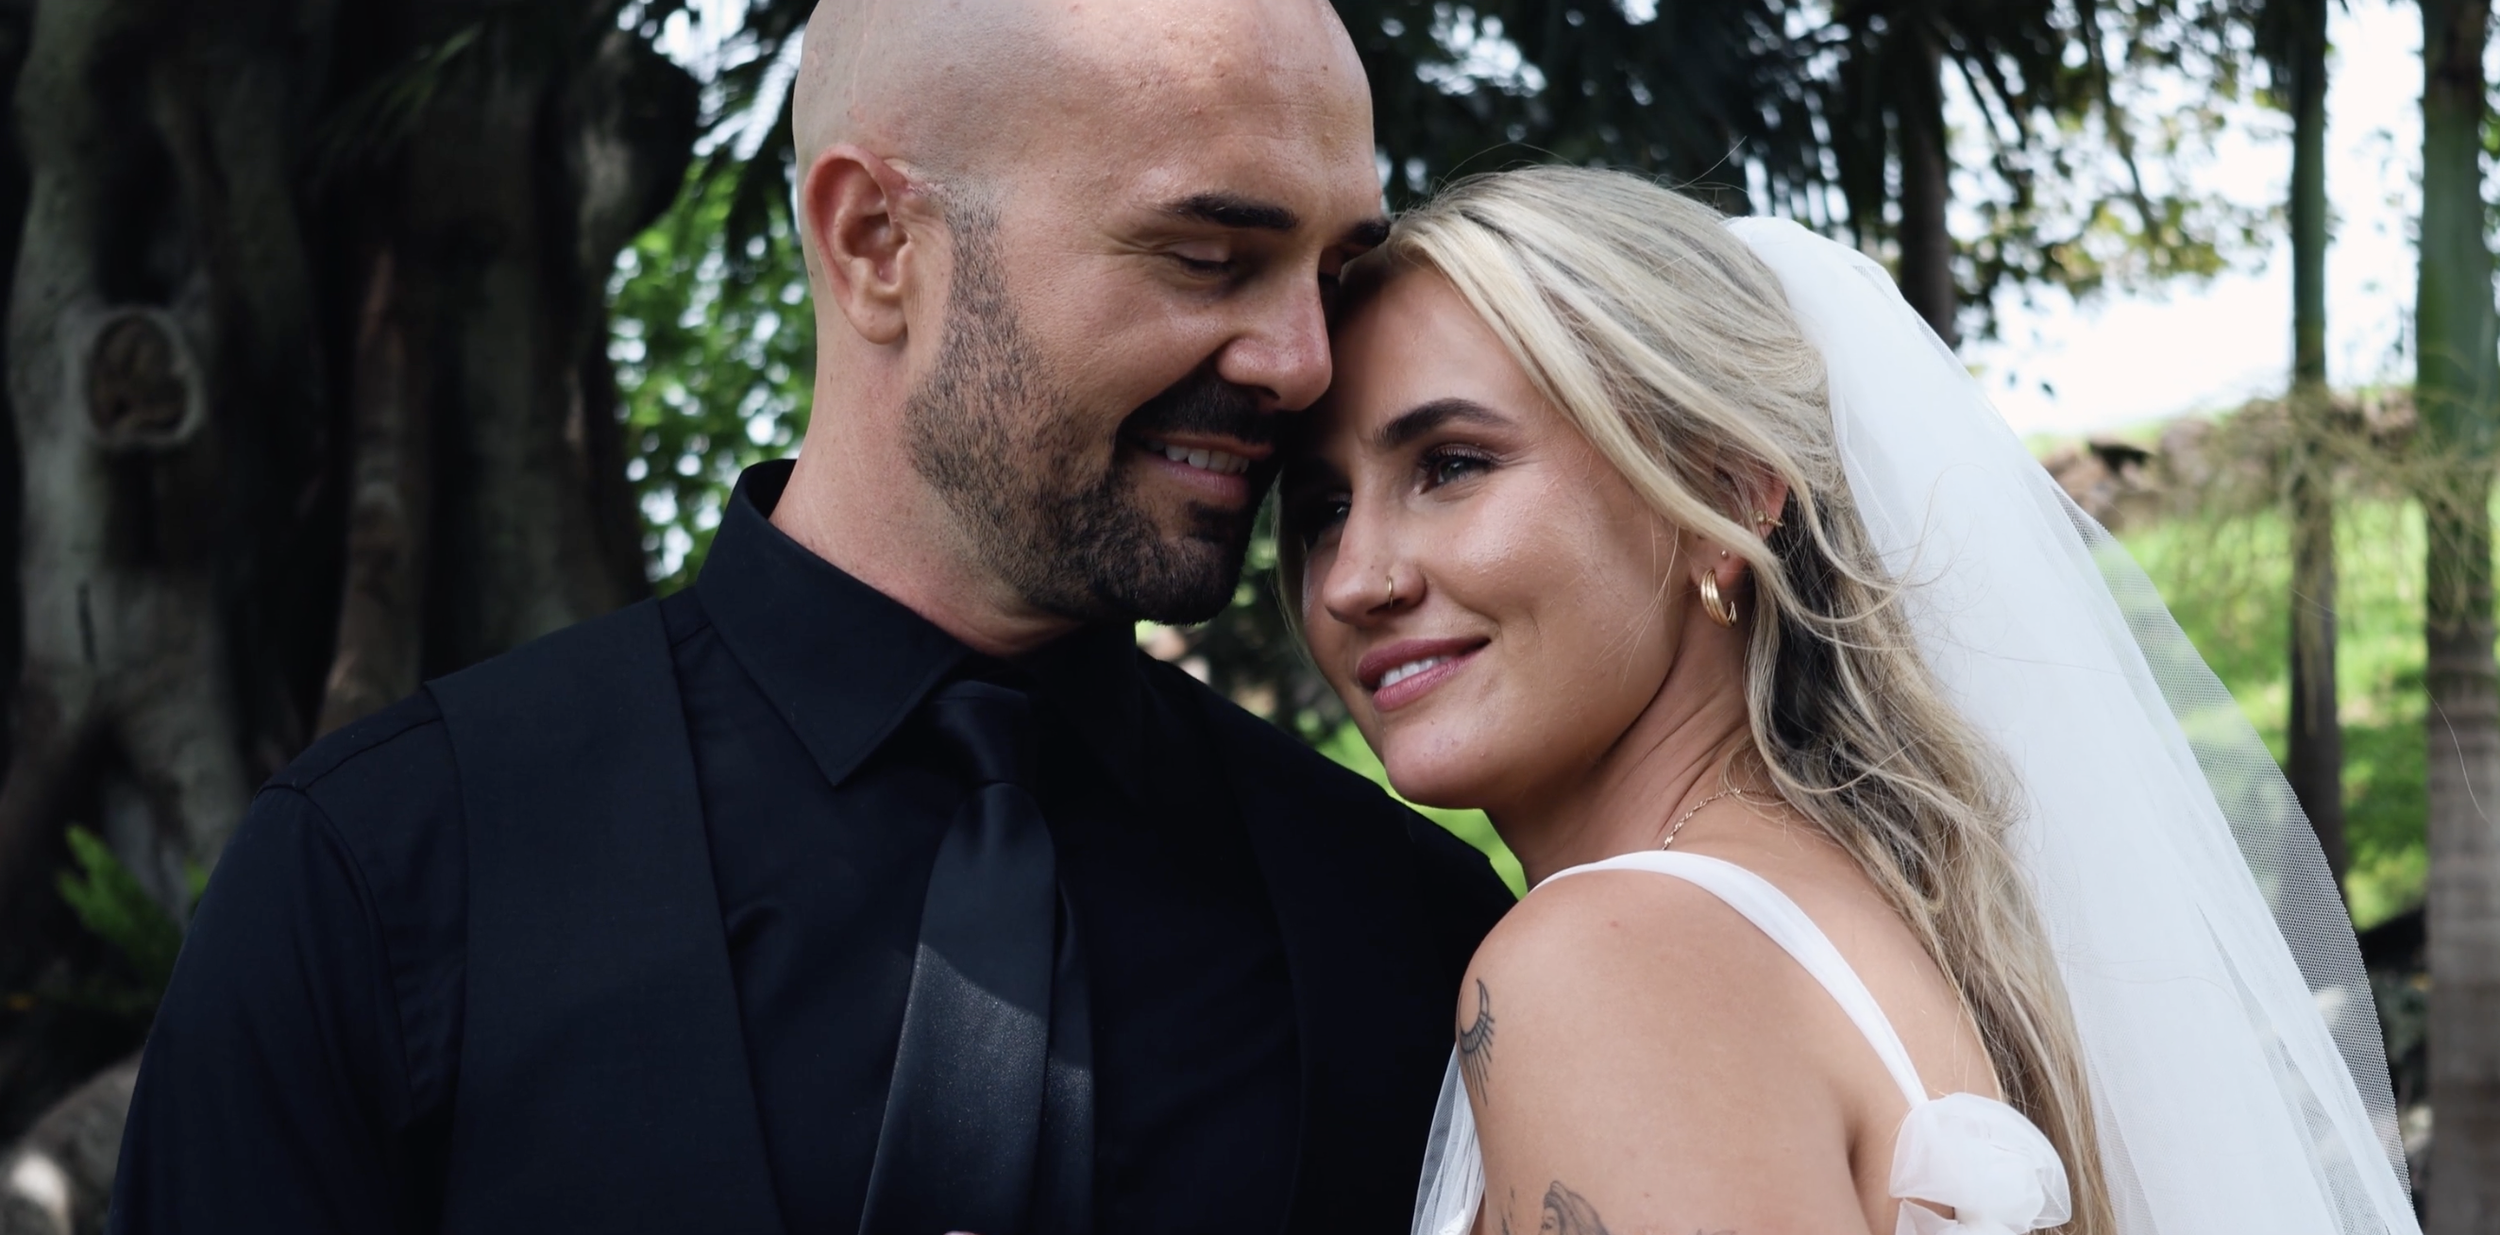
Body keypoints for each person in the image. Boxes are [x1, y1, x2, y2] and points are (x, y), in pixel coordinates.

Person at [107, 1, 1514, 1232]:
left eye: (1334, 277)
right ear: (874, 241)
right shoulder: (378, 872)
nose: (1301, 362)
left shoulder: (1411, 932)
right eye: (1207, 255)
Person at [1282, 166, 2422, 1235]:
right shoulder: (1875, 919)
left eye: (1451, 464)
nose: (1352, 579)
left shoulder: (1611, 962)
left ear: (1723, 495)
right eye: (1323, 507)